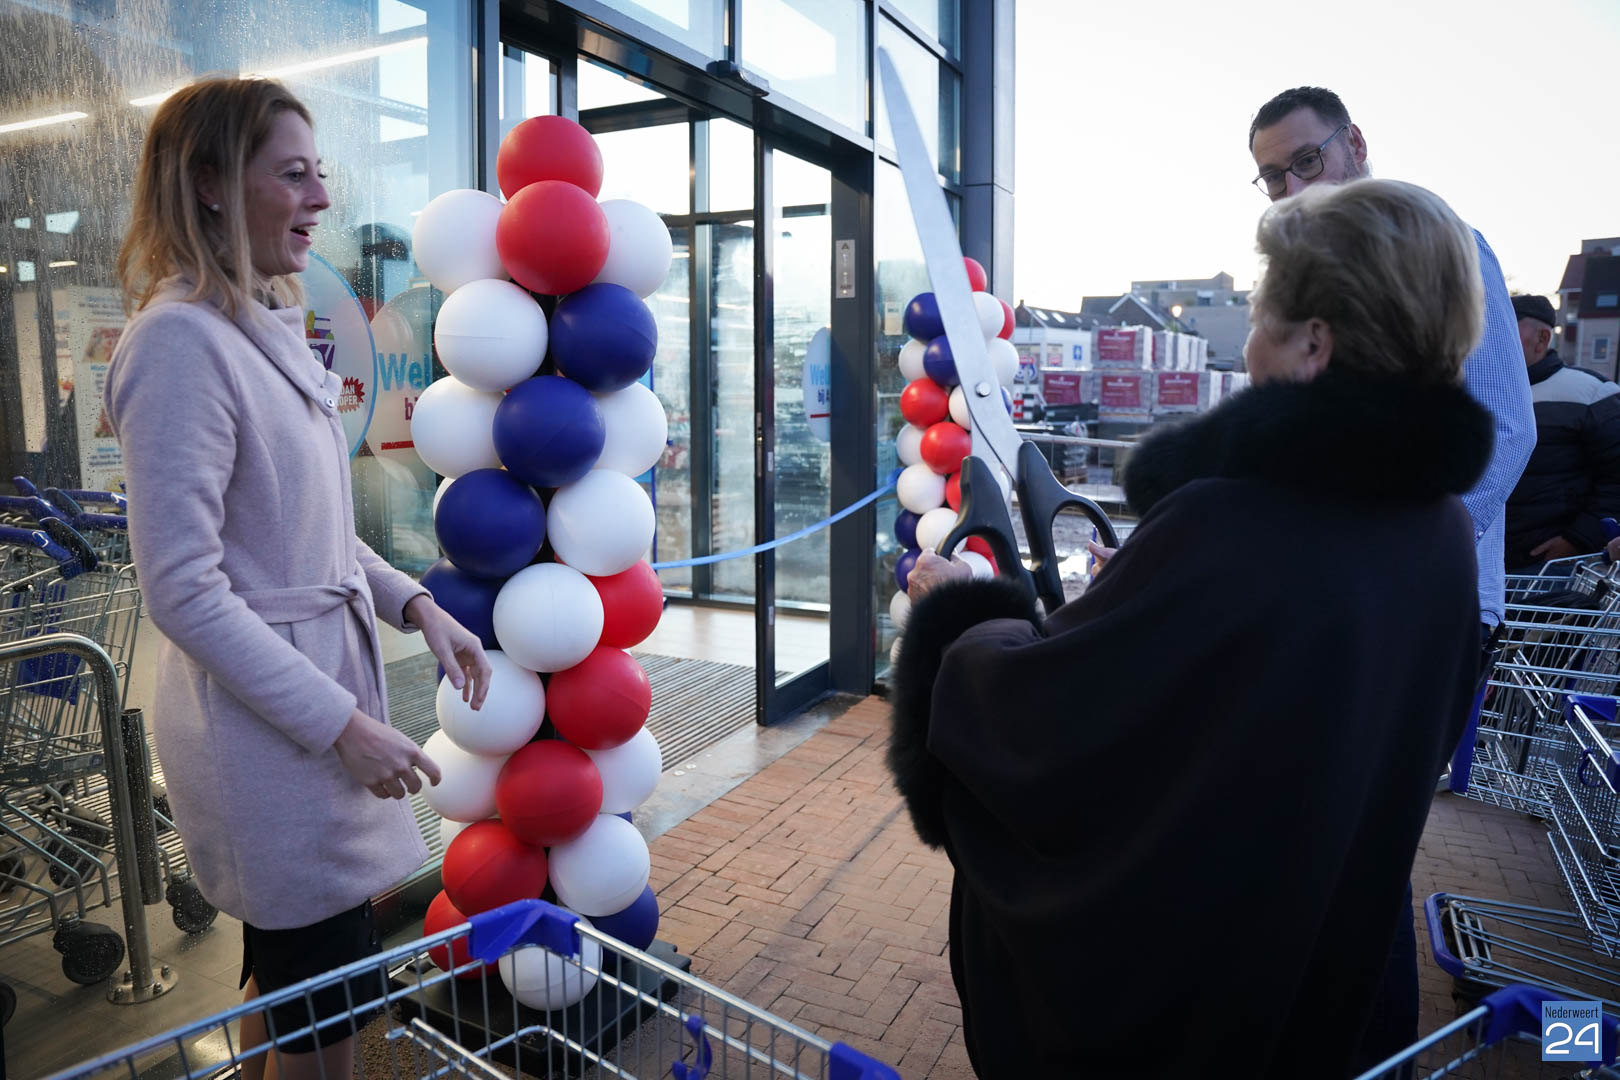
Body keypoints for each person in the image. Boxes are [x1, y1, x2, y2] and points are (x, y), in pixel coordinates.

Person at [891, 179, 1492, 1078]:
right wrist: (1143, 596)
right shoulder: (1440, 529)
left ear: (1313, 343)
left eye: (1258, 317)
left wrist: (959, 616)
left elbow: (1046, 724)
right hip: (1327, 985)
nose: (1245, 346)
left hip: (1192, 1004)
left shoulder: (1234, 521)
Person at [106, 78, 492, 1080]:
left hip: (304, 721)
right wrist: (342, 725)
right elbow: (183, 590)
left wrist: (417, 604)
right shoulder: (180, 345)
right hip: (271, 744)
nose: (321, 198)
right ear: (210, 184)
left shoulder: (250, 329)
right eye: (293, 174)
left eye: (321, 173)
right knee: (324, 1013)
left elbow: (313, 538)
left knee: (294, 986)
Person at [1247, 86, 1534, 1063]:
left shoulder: (1437, 246)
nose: (1293, 187)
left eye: (1306, 160)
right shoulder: (1324, 279)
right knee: (1326, 844)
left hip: (1423, 608)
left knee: (1359, 853)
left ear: (1355, 143)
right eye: (1272, 176)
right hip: (1349, 602)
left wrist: (1406, 558)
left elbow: (1506, 428)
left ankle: (1371, 1056)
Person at [1503, 293, 1620, 572]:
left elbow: (1616, 479)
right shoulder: (1485, 393)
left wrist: (1577, 539)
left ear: (1543, 339)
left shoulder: (1594, 395)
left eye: (1507, 329)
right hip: (1488, 563)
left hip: (1555, 568)